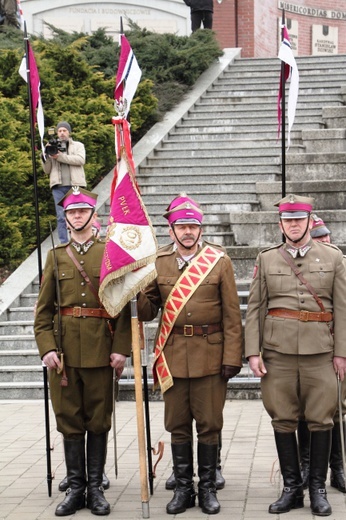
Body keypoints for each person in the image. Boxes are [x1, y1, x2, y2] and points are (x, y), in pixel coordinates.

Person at [137, 193, 243, 515]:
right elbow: (147, 311)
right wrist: (133, 286)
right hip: (172, 357)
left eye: (192, 226)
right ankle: (184, 489)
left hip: (211, 358)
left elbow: (232, 315)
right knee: (178, 425)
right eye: (181, 226)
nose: (187, 232)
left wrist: (232, 358)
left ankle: (208, 488)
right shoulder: (159, 262)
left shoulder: (219, 260)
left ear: (200, 229)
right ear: (170, 230)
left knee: (209, 424)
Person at [245, 194, 346, 517]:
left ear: (308, 221)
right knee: (283, 418)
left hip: (321, 352)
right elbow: (256, 308)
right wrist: (252, 352)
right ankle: (292, 489)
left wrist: (341, 354)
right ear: (281, 224)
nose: (293, 225)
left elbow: (343, 310)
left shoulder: (333, 257)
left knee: (321, 418)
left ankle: (317, 488)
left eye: (298, 220)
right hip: (279, 353)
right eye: (288, 220)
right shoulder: (267, 259)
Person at [34, 187, 131, 517]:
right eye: (71, 212)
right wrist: (46, 348)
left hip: (101, 349)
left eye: (82, 211)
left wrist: (121, 350)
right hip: (63, 356)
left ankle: (94, 487)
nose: (76, 216)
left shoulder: (109, 254)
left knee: (99, 419)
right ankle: (75, 488)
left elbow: (122, 306)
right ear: (67, 217)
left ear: (93, 215)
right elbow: (43, 311)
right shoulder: (56, 255)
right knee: (70, 420)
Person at [298, 214, 346, 494]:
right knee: (307, 410)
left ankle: (337, 470)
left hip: (336, 349)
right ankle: (306, 467)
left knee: (338, 410)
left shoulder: (340, 264)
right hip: (309, 348)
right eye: (318, 237)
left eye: (325, 235)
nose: (324, 240)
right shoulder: (295, 269)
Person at [41, 121, 86, 244]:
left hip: (75, 186)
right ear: (56, 133)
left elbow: (81, 160)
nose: (62, 133)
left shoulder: (78, 145)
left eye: (64, 130)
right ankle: (64, 243)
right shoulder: (52, 147)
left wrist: (60, 157)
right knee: (61, 217)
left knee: (77, 215)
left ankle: (78, 241)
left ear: (69, 132)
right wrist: (45, 156)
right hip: (58, 186)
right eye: (59, 131)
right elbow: (47, 170)